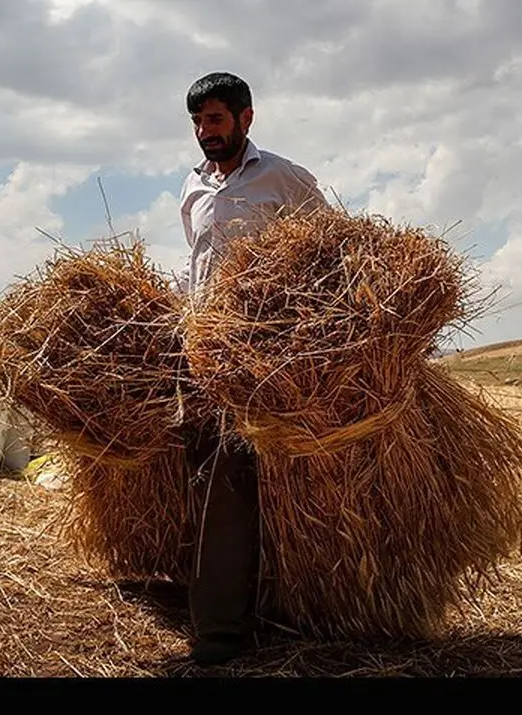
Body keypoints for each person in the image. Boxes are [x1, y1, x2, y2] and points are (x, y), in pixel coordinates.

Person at [176, 72, 328, 667]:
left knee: (232, 483)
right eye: (197, 123)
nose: (205, 133)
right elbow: (197, 264)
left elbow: (331, 251)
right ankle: (232, 609)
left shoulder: (286, 178)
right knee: (205, 477)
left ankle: (220, 633)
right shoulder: (192, 187)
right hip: (202, 350)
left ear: (246, 118)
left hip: (264, 356)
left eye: (215, 120)